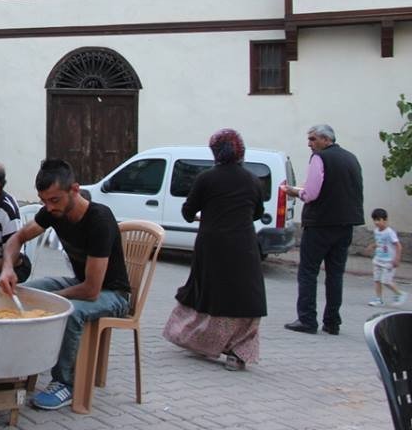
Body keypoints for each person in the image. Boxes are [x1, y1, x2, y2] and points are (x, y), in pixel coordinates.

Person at [0, 159, 129, 410]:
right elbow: (17, 239)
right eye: (44, 200)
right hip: (81, 284)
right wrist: (7, 268)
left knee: (69, 312)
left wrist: (52, 300)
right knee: (24, 293)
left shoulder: (99, 219)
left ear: (74, 189)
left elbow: (91, 291)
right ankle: (20, 365)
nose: (49, 207)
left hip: (113, 294)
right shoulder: (52, 211)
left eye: (54, 200)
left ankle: (65, 383)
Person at [162, 129, 267, 371]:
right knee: (243, 296)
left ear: (215, 152)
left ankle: (198, 340)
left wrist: (207, 211)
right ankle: (237, 353)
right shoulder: (252, 180)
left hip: (212, 245)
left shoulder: (206, 178)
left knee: (208, 292)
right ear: (241, 150)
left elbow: (188, 212)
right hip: (244, 246)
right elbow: (258, 213)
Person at [283, 124, 364, 335]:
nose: (309, 144)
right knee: (335, 274)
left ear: (327, 140)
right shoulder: (351, 158)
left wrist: (294, 192)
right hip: (345, 224)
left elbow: (311, 193)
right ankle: (332, 322)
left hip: (320, 224)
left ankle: (307, 320)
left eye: (313, 139)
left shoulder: (320, 158)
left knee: (308, 272)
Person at [366, 208, 406, 307]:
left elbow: (398, 246)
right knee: (377, 280)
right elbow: (380, 242)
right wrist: (372, 246)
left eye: (379, 220)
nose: (377, 222)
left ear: (385, 220)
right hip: (378, 260)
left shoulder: (389, 232)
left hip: (388, 262)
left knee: (386, 281)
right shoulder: (376, 231)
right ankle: (378, 299)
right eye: (375, 220)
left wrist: (397, 259)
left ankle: (400, 294)